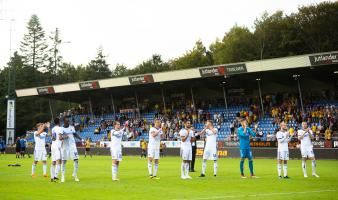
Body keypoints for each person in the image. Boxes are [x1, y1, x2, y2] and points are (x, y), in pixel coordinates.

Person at [60, 117, 83, 183]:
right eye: (67, 121)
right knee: (64, 161)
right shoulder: (61, 129)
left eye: (68, 121)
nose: (68, 122)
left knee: (76, 160)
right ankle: (63, 176)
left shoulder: (71, 127)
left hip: (73, 147)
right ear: (64, 121)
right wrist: (64, 137)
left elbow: (75, 134)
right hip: (65, 147)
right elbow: (60, 137)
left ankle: (75, 175)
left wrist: (81, 139)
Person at [50, 118, 63, 182]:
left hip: (53, 145)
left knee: (53, 161)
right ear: (59, 122)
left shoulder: (53, 129)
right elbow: (60, 138)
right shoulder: (60, 128)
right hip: (57, 145)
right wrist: (65, 137)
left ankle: (52, 177)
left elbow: (52, 138)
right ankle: (55, 176)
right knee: (59, 161)